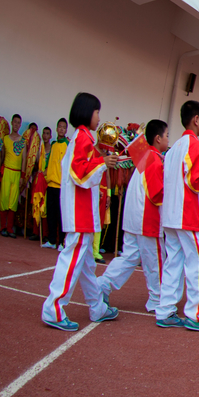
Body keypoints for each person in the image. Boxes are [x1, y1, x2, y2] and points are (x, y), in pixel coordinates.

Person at [40, 93, 121, 330]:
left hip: (82, 209)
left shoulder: (82, 138)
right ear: (88, 112)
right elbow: (79, 172)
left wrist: (102, 160)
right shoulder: (83, 137)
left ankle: (97, 307)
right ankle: (53, 308)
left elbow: (85, 167)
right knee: (73, 259)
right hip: (80, 210)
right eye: (97, 112)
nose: (99, 117)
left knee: (85, 264)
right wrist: (102, 163)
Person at [156, 100, 199, 332]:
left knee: (173, 262)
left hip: (170, 214)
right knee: (196, 264)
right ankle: (195, 314)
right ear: (196, 119)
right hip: (187, 215)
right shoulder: (194, 145)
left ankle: (165, 309)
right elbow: (197, 182)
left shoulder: (174, 146)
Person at [97, 121, 168, 313]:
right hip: (146, 219)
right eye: (167, 135)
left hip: (133, 218)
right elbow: (156, 193)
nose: (168, 140)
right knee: (155, 260)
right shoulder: (155, 159)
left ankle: (103, 285)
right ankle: (157, 299)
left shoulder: (144, 157)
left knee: (129, 257)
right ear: (158, 138)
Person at [44, 119, 70, 248]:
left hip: (61, 186)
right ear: (56, 128)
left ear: (66, 130)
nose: (61, 129)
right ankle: (52, 240)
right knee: (51, 214)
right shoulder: (53, 145)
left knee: (61, 215)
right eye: (59, 127)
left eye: (63, 127)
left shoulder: (67, 145)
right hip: (51, 184)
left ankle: (61, 242)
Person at [0, 114, 25, 237]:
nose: (16, 124)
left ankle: (10, 228)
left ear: (20, 125)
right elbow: (1, 156)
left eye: (18, 123)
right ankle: (3, 227)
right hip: (7, 171)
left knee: (13, 202)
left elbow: (24, 159)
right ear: (11, 122)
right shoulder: (5, 138)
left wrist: (22, 176)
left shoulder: (22, 141)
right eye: (14, 122)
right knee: (4, 199)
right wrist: (0, 172)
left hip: (16, 173)